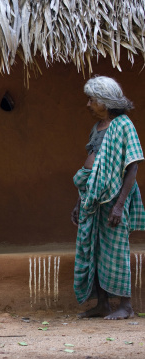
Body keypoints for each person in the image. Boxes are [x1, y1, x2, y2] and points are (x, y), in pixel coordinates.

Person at [71, 76, 145, 320]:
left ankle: (126, 306)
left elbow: (132, 166)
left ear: (105, 101)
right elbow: (93, 169)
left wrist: (119, 206)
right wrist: (80, 202)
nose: (88, 104)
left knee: (116, 250)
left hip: (114, 199)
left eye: (92, 99)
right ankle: (102, 304)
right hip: (93, 200)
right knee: (94, 250)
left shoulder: (124, 125)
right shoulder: (97, 128)